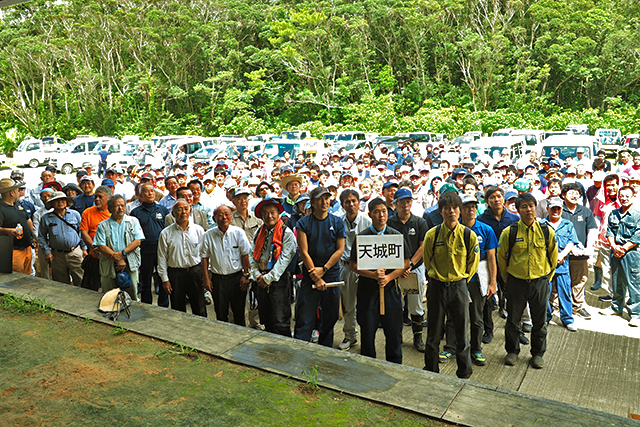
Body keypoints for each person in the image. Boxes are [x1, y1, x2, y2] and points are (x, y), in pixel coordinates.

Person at [423, 191, 480, 379]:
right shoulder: (432, 234)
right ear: (441, 211)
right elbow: (428, 261)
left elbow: (473, 263)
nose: (451, 211)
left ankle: (464, 372)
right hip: (437, 286)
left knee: (462, 333)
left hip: (459, 287)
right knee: (434, 333)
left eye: (455, 208)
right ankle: (431, 370)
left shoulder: (468, 236)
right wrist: (438, 278)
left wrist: (461, 279)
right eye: (447, 208)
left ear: (460, 210)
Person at [498, 193, 558, 369]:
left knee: (540, 321)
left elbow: (553, 257)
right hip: (516, 281)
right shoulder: (510, 232)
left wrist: (547, 278)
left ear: (535, 207)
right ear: (517, 209)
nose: (528, 210)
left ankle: (538, 354)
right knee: (513, 320)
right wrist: (507, 280)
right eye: (523, 206)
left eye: (531, 206)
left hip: (540, 281)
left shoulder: (546, 231)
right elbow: (502, 258)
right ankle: (512, 351)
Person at [440, 194, 498, 367]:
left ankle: (476, 349)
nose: (471, 210)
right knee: (453, 314)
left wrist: (493, 282)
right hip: (456, 277)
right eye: (466, 207)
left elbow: (492, 257)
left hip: (477, 277)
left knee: (476, 315)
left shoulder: (486, 230)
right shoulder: (451, 229)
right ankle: (450, 347)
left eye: (473, 206)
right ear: (459, 210)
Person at [349, 197, 409, 363]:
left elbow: (405, 262)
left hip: (391, 290)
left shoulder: (395, 236)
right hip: (367, 291)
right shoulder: (362, 237)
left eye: (384, 211)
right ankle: (368, 366)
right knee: (367, 331)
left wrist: (389, 277)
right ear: (370, 214)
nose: (381, 215)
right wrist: (373, 275)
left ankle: (395, 365)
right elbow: (353, 265)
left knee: (393, 331)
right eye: (377, 212)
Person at [294, 186, 346, 346]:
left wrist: (323, 269)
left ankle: (325, 355)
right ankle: (299, 357)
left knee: (329, 320)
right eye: (320, 199)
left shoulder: (337, 222)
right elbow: (303, 251)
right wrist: (315, 276)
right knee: (305, 319)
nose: (324, 202)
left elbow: (340, 250)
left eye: (326, 198)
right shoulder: (303, 223)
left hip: (331, 275)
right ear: (312, 203)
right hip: (310, 276)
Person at [476, 185, 520, 343]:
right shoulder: (481, 220)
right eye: (492, 197)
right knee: (487, 298)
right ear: (487, 201)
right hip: (488, 264)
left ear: (504, 199)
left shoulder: (514, 219)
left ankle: (516, 330)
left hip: (510, 263)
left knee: (513, 298)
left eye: (499, 196)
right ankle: (488, 330)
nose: (496, 199)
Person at [387, 188, 428, 352]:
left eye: (408, 201)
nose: (405, 205)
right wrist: (398, 267)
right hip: (395, 270)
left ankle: (418, 338)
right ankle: (397, 337)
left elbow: (422, 246)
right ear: (395, 204)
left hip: (415, 269)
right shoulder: (390, 222)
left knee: (416, 305)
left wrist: (409, 264)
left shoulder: (419, 222)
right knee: (396, 304)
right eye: (402, 202)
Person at [250, 195, 297, 336]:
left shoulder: (286, 233)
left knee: (281, 320)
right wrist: (257, 275)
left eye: (272, 212)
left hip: (279, 280)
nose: (269, 216)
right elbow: (252, 256)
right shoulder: (259, 232)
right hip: (262, 279)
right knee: (267, 319)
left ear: (278, 214)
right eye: (265, 213)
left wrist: (268, 279)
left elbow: (284, 260)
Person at [200, 205, 251, 325]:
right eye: (220, 215)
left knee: (239, 313)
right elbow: (204, 257)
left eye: (227, 214)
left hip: (237, 278)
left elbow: (245, 255)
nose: (224, 217)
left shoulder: (238, 233)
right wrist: (206, 278)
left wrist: (246, 275)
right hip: (218, 280)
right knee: (220, 312)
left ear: (231, 217)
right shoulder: (208, 235)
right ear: (214, 218)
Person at [157, 199, 207, 316]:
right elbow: (162, 258)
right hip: (176, 274)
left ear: (190, 211)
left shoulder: (198, 230)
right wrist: (165, 279)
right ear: (173, 214)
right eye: (179, 209)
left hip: (195, 272)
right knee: (178, 308)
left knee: (199, 307)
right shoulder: (166, 233)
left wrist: (206, 274)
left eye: (186, 209)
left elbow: (204, 253)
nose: (183, 212)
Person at [337, 188, 372, 350]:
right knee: (348, 304)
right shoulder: (337, 221)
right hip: (346, 267)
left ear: (359, 202)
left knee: (365, 305)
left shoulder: (367, 222)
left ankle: (367, 337)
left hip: (365, 268)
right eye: (347, 202)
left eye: (354, 201)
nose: (351, 204)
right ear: (342, 205)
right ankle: (350, 336)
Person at [93, 195, 144, 299]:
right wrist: (117, 259)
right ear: (110, 208)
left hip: (130, 261)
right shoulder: (103, 225)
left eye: (122, 205)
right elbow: (100, 245)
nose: (120, 208)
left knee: (132, 293)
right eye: (117, 206)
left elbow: (137, 241)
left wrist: (122, 254)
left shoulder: (133, 221)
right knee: (108, 294)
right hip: (109, 262)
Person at [541, 197, 579, 331]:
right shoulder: (541, 224)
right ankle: (545, 318)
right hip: (546, 266)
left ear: (562, 209)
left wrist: (562, 255)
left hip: (562, 265)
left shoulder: (568, 224)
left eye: (558, 209)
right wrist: (553, 256)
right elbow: (539, 244)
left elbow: (571, 241)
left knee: (565, 292)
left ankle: (567, 319)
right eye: (553, 208)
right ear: (547, 209)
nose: (556, 211)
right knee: (545, 293)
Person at [604, 186, 640, 327]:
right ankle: (616, 308)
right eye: (621, 196)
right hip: (616, 250)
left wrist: (624, 248)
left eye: (627, 196)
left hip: (631, 252)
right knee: (617, 280)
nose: (623, 198)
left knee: (634, 283)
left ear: (633, 197)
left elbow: (638, 235)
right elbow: (610, 232)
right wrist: (614, 247)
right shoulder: (614, 213)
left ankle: (636, 314)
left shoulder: (637, 215)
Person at [561, 183, 597, 320]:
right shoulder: (558, 210)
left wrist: (589, 248)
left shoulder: (585, 211)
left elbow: (592, 230)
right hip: (561, 253)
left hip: (580, 255)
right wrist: (570, 248)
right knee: (558, 280)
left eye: (577, 193)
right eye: (571, 193)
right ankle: (556, 306)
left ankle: (578, 306)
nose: (575, 195)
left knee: (579, 281)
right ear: (563, 195)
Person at [131, 183, 170, 306]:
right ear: (141, 195)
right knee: (145, 280)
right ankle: (146, 304)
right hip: (144, 251)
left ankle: (163, 305)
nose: (150, 193)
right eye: (147, 191)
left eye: (152, 191)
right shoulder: (135, 213)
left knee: (162, 278)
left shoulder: (162, 210)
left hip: (161, 252)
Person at [230, 186, 263, 328]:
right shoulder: (230, 219)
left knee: (255, 294)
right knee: (237, 293)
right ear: (234, 201)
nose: (242, 201)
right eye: (239, 198)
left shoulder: (257, 219)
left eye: (245, 198)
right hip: (236, 261)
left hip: (255, 261)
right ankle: (235, 322)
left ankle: (255, 321)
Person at [37, 192, 87, 285]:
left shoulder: (75, 214)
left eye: (63, 200)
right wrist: (47, 252)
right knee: (61, 283)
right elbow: (41, 236)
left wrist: (84, 248)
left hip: (75, 252)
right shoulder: (46, 218)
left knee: (80, 279)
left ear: (66, 202)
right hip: (57, 255)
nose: (60, 202)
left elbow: (82, 232)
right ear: (52, 203)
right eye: (57, 200)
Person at [79, 186, 112, 291]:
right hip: (95, 255)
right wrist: (94, 247)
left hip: (111, 256)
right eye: (95, 196)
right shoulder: (88, 212)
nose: (97, 199)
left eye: (100, 197)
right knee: (92, 286)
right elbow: (84, 232)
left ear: (109, 198)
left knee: (110, 286)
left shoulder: (114, 212)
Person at [0, 178, 36, 274]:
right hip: (13, 250)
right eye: (17, 190)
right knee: (17, 276)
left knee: (27, 274)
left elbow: (27, 219)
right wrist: (9, 231)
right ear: (12, 193)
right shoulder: (1, 208)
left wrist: (34, 236)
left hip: (27, 246)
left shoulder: (17, 204)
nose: (19, 192)